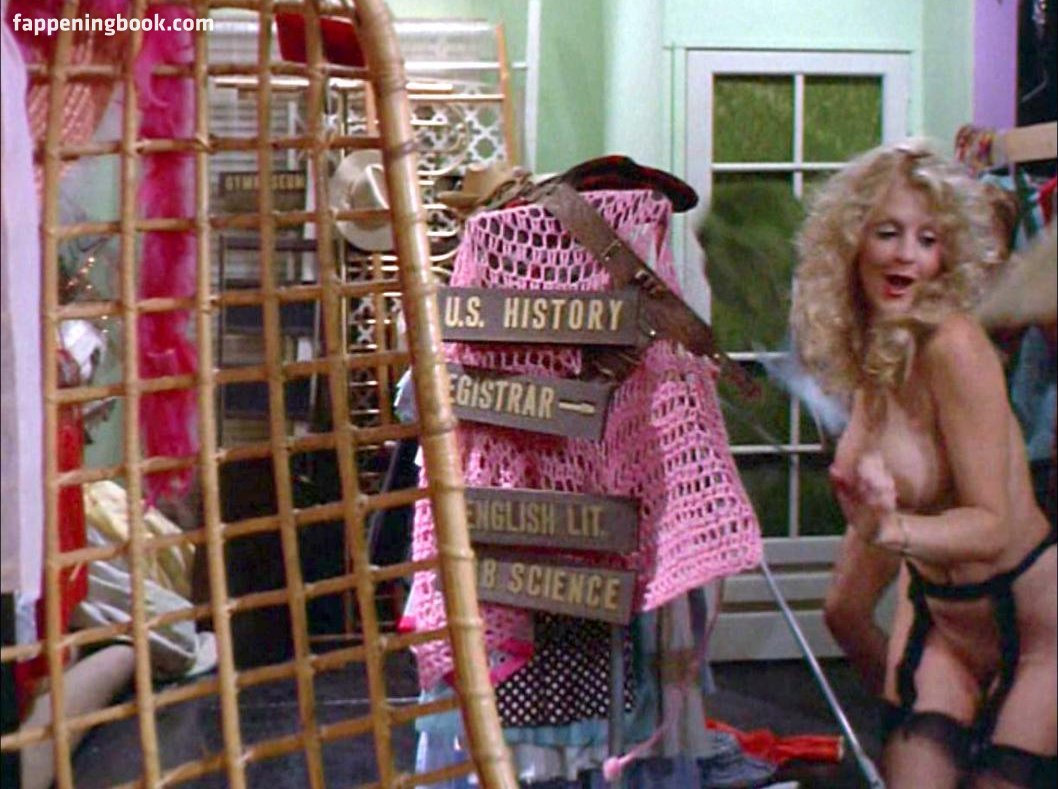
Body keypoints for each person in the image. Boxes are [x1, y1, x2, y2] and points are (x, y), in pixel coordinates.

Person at [790, 140, 1057, 788]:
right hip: (946, 622)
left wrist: (890, 528)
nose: (906, 254)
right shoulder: (874, 348)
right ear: (852, 242)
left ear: (947, 255)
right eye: (888, 232)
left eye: (928, 239)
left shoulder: (953, 345)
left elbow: (992, 524)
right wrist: (870, 504)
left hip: (1036, 629)